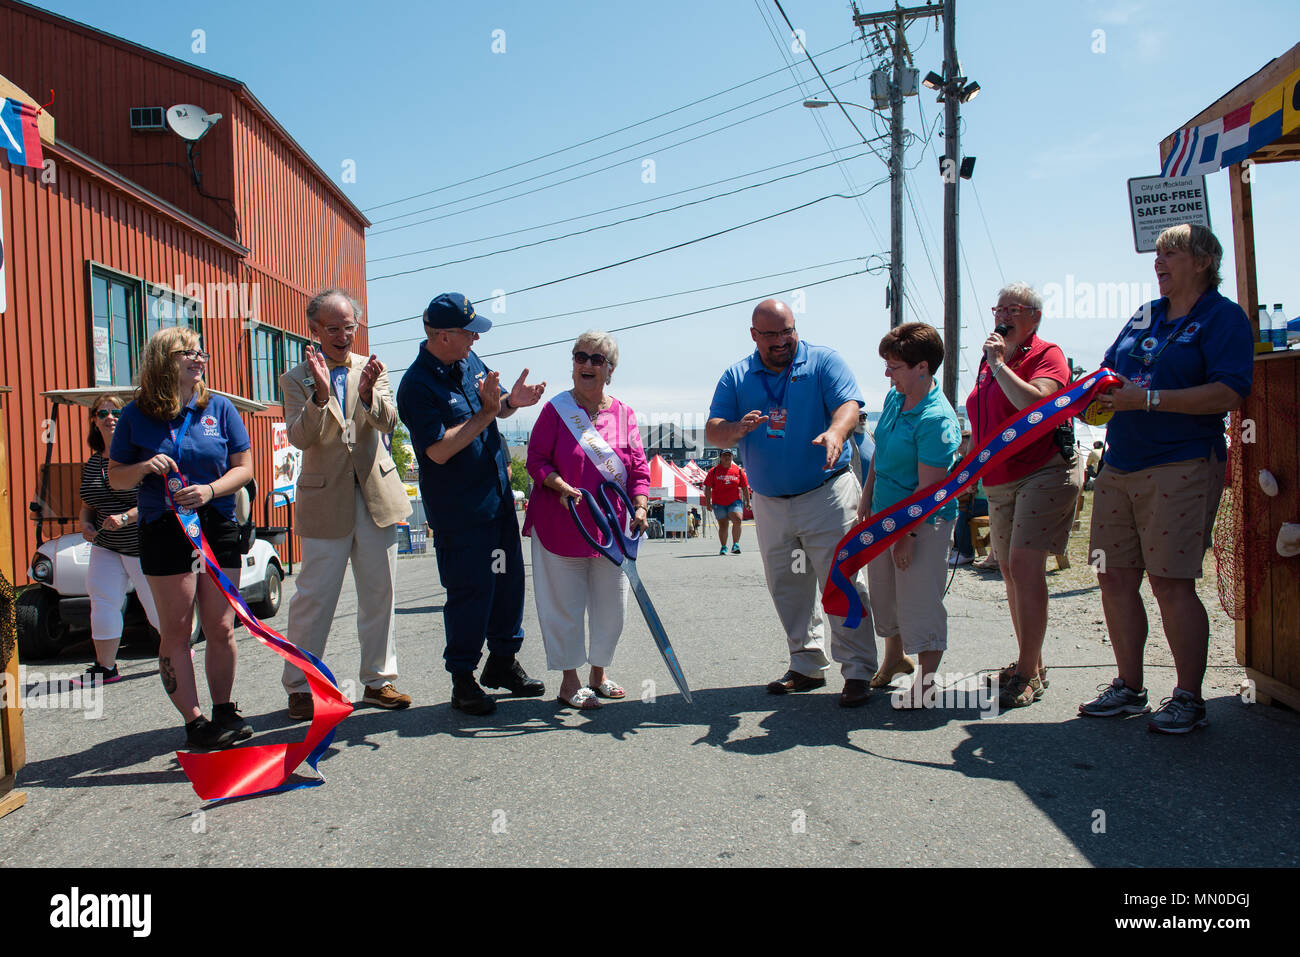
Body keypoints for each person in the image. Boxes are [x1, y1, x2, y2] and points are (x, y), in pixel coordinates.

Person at [1080, 223, 1253, 734]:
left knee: (1170, 582)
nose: (1159, 261)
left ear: (1203, 261)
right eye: (1156, 253)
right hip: (1120, 462)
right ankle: (1128, 687)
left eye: (1171, 253)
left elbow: (1229, 392)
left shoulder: (1223, 318)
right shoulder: (1145, 315)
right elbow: (1110, 373)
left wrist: (1150, 399)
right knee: (1111, 575)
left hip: (1181, 463)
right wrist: (1089, 394)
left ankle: (1188, 698)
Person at [706, 298, 877, 707]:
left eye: (788, 331)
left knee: (844, 582)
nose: (782, 342)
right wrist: (734, 428)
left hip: (827, 495)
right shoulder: (737, 375)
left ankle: (856, 670)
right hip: (770, 503)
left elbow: (849, 406)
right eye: (771, 335)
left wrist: (836, 433)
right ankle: (806, 664)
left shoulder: (822, 362)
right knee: (788, 587)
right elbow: (713, 430)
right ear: (754, 335)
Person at [397, 292, 547, 716]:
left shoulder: (468, 363)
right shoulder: (416, 386)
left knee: (508, 584)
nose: (475, 341)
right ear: (442, 335)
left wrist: (511, 402)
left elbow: (490, 409)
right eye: (469, 333)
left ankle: (502, 661)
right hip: (460, 510)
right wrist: (485, 413)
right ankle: (462, 677)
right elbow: (439, 450)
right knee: (470, 591)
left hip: (495, 498)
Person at [108, 327, 253, 749]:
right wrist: (143, 468)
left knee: (221, 626)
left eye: (199, 350)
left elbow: (243, 468)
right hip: (163, 528)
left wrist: (209, 490)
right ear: (161, 360)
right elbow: (116, 477)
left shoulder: (220, 408)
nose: (197, 356)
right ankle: (195, 722)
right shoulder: (136, 414)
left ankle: (224, 709)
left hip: (216, 524)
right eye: (185, 351)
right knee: (177, 629)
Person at [279, 289, 414, 721]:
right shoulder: (295, 377)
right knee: (314, 598)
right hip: (325, 500)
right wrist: (320, 396)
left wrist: (370, 393)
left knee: (380, 593)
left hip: (376, 494)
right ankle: (300, 686)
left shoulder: (373, 368)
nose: (342, 336)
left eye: (348, 327)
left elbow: (391, 422)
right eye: (332, 328)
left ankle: (379, 681)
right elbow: (301, 439)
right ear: (314, 330)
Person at [966, 281, 1084, 708]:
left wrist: (999, 365)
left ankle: (1028, 671)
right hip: (998, 478)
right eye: (999, 308)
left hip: (1043, 471)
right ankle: (1028, 663)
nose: (1003, 316)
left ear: (1034, 317)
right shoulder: (990, 360)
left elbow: (1034, 408)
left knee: (1022, 564)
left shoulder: (1045, 354)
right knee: (1010, 572)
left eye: (1013, 309)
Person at [522, 331, 650, 710]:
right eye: (581, 357)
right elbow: (536, 460)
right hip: (561, 524)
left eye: (597, 359)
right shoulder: (555, 410)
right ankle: (569, 681)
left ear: (610, 370)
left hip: (612, 529)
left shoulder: (624, 414)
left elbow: (639, 470)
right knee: (563, 604)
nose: (587, 365)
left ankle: (599, 673)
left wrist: (641, 507)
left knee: (613, 605)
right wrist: (560, 485)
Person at [860, 324, 961, 704]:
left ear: (922, 367)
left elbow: (929, 492)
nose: (888, 374)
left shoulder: (937, 420)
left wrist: (906, 536)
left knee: (919, 598)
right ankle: (894, 659)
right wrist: (867, 498)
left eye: (895, 366)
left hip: (923, 523)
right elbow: (880, 454)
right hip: (884, 515)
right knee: (884, 594)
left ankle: (927, 680)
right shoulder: (893, 399)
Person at [77, 394, 160, 685]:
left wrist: (126, 517)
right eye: (102, 413)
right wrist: (85, 525)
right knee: (102, 598)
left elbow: (155, 498)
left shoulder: (139, 458)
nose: (109, 417)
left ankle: (176, 651)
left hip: (141, 542)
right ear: (94, 421)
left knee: (154, 602)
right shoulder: (92, 463)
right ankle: (106, 667)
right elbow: (88, 504)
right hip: (106, 544)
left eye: (116, 412)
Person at [949, 429, 988, 567]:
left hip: (984, 500)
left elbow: (975, 488)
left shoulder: (979, 459)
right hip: (965, 499)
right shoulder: (959, 462)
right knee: (954, 511)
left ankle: (965, 552)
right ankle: (956, 549)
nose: (960, 445)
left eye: (963, 442)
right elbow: (948, 482)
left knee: (963, 514)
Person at [703, 449, 750, 554]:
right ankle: (723, 547)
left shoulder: (738, 470)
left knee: (737, 519)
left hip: (734, 501)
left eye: (729, 455)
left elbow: (744, 487)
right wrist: (708, 503)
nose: (727, 457)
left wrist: (748, 501)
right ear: (720, 457)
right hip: (718, 503)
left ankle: (735, 544)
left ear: (732, 457)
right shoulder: (713, 471)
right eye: (725, 455)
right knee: (723, 525)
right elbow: (708, 487)